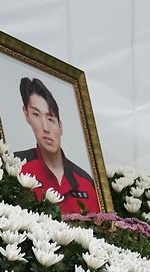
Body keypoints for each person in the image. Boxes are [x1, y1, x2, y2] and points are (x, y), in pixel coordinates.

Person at [16, 77, 101, 214]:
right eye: (36, 115)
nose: (45, 127)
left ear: (60, 126)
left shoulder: (86, 182)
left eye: (50, 119)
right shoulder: (16, 167)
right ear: (27, 115)